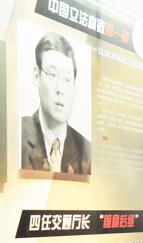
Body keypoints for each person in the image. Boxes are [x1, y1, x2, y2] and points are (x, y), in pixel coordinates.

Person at [21, 32, 91, 175]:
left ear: (75, 89)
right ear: (36, 75)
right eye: (52, 75)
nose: (60, 89)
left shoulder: (87, 151)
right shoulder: (17, 134)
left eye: (67, 79)